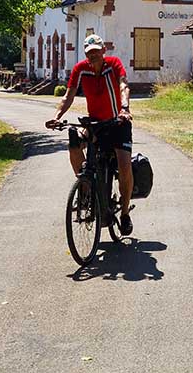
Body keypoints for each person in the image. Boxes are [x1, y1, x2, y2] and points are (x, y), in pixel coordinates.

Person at [46, 33, 134, 235]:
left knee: (124, 163)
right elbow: (69, 94)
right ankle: (85, 188)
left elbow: (123, 85)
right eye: (89, 53)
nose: (93, 56)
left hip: (117, 122)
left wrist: (125, 108)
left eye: (96, 52)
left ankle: (125, 213)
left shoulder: (113, 64)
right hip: (96, 124)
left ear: (103, 51)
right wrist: (58, 116)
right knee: (74, 141)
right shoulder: (80, 69)